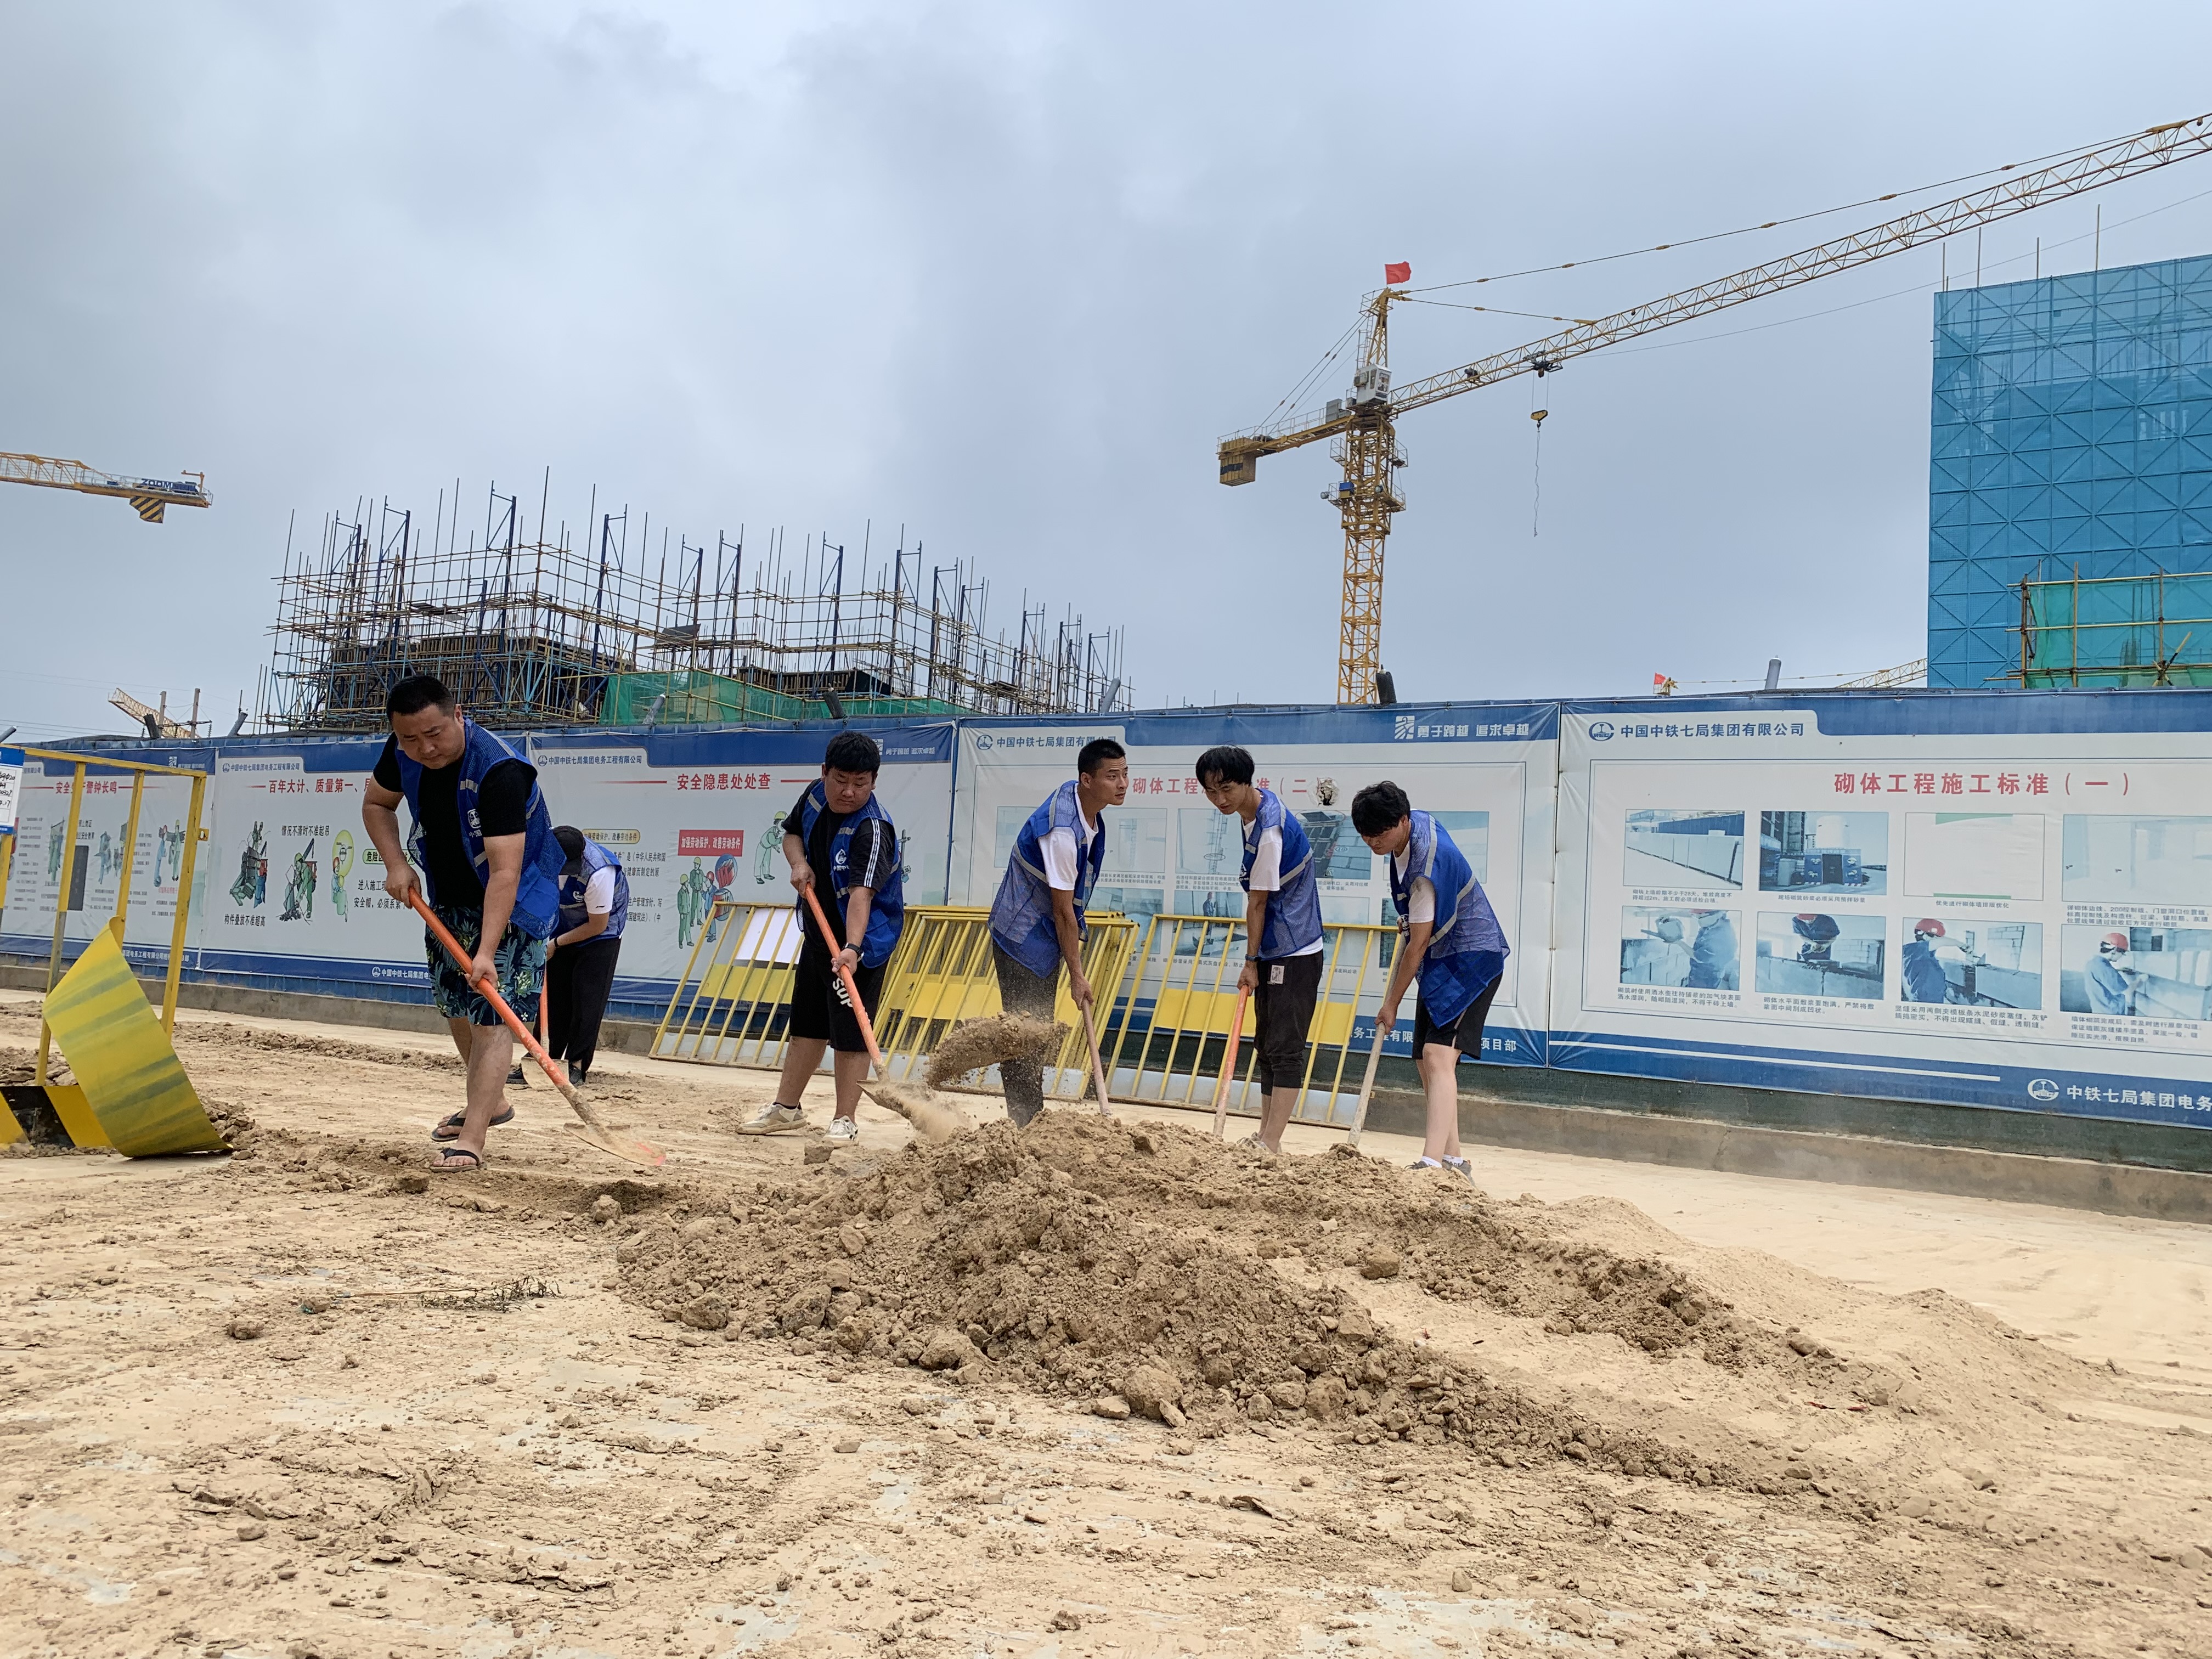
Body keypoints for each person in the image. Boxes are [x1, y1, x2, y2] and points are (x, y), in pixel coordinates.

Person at [361, 674, 565, 1171]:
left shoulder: (499, 772)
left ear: (458, 716)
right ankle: (490, 1102)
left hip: (514, 906)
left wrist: (488, 952)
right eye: (410, 738)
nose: (424, 748)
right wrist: (395, 863)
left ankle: (472, 1140)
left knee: (492, 1019)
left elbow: (506, 873)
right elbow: (376, 804)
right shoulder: (401, 749)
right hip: (446, 900)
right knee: (457, 1007)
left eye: (434, 734)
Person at [738, 731, 905, 1144]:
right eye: (841, 780)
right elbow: (791, 833)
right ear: (824, 772)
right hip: (818, 929)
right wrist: (798, 864)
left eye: (861, 783)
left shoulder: (872, 831)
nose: (849, 792)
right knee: (808, 1024)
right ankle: (787, 1109)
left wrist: (851, 949)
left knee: (850, 1031)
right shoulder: (813, 796)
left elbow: (862, 897)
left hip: (860, 943)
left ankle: (844, 1119)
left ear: (874, 782)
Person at [1352, 781, 1509, 1178]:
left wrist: (1391, 1003)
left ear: (1403, 821)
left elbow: (1417, 946)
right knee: (1427, 1059)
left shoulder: (1425, 872)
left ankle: (1431, 1163)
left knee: (1440, 1056)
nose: (1372, 842)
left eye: (1379, 834)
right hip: (1443, 957)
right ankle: (1455, 1160)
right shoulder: (1410, 827)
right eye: (1366, 835)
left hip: (1470, 960)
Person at [984, 738, 1130, 1125]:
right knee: (1026, 1032)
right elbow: (1064, 912)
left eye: (1125, 774)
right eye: (1112, 776)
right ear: (1086, 779)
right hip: (1022, 937)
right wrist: (1077, 976)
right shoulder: (1063, 831)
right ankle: (1025, 1123)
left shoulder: (1085, 809)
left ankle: (1030, 1117)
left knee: (1037, 1029)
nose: (1122, 784)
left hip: (1044, 932)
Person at [1197, 745, 1324, 1154]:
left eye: (1226, 789)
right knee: (1267, 1046)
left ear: (1248, 782)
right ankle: (1266, 1136)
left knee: (1285, 1048)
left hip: (1294, 951)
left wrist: (1250, 962)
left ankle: (1271, 1141)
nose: (1219, 800)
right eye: (1210, 791)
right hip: (1275, 949)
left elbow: (1258, 902)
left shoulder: (1269, 829)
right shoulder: (1250, 815)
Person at [545, 826, 629, 1087]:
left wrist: (557, 943)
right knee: (554, 998)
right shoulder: (540, 852)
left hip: (600, 936)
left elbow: (597, 925)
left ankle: (577, 1065)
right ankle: (544, 1058)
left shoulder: (599, 870)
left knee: (586, 1000)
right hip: (561, 926)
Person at [2086, 932, 2136, 1015]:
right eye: (2122, 953)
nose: (2121, 957)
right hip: (2111, 1013)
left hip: (2099, 1010)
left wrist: (2117, 971)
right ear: (2115, 950)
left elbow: (2102, 977)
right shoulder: (2105, 968)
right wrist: (2141, 980)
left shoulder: (2093, 963)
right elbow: (2127, 991)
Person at [1686, 910, 1738, 990]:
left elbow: (1698, 957)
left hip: (1705, 978)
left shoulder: (1720, 937)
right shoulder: (1717, 923)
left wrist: (1678, 942)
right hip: (1707, 973)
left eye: (1701, 916)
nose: (1698, 918)